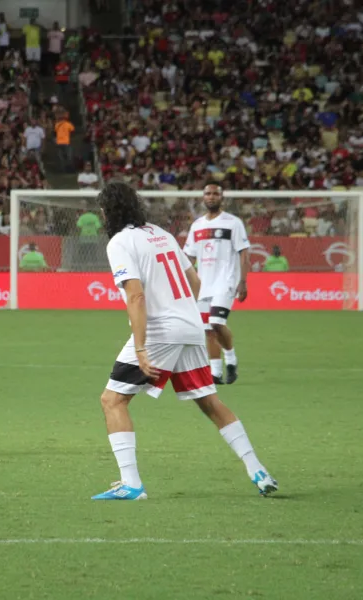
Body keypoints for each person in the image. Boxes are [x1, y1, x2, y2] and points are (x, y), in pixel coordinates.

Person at [92, 182, 277, 500]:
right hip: (191, 326)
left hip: (163, 330)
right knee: (210, 403)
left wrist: (141, 346)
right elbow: (194, 281)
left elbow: (135, 295)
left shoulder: (120, 242)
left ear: (109, 211)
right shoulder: (160, 233)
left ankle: (132, 484)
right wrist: (182, 314)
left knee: (113, 400)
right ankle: (258, 470)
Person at [183, 184, 250, 384]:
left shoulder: (233, 223)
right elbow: (188, 257)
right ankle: (216, 373)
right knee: (208, 329)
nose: (211, 197)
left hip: (226, 281)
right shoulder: (197, 225)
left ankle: (231, 360)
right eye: (208, 194)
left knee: (217, 322)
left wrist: (243, 281)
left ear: (222, 198)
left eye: (215, 194)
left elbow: (244, 253)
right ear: (203, 198)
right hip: (204, 284)